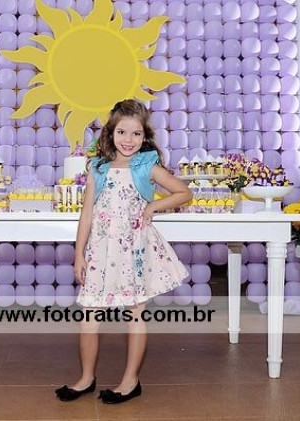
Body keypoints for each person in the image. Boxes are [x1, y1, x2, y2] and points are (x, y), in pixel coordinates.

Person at [55, 99, 192, 404]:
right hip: (101, 251)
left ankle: (130, 381)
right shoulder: (98, 167)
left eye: (136, 134)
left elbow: (184, 192)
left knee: (135, 313)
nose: (128, 140)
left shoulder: (146, 166)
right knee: (89, 314)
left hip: (133, 251)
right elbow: (87, 214)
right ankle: (86, 378)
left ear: (145, 136)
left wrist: (153, 206)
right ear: (111, 133)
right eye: (122, 132)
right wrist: (79, 254)